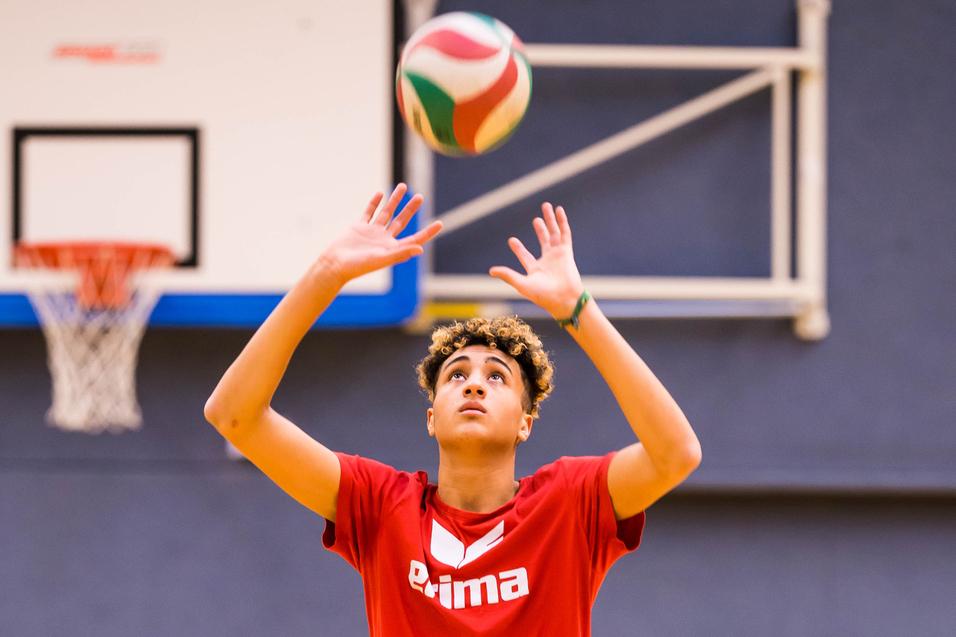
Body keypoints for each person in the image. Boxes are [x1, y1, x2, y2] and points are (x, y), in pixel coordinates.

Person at [204, 183, 702, 636]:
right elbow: (233, 416)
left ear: (526, 423)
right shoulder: (381, 505)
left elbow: (676, 453)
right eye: (457, 375)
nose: (475, 386)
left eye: (497, 377)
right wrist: (326, 275)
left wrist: (578, 309)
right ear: (431, 417)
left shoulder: (569, 503)